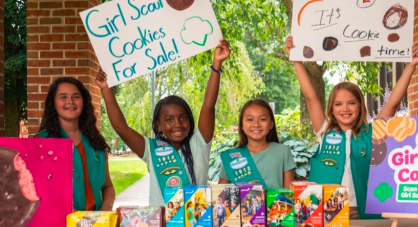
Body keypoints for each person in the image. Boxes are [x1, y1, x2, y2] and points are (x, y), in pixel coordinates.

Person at [284, 35, 418, 218]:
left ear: (360, 106)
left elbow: (392, 104)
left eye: (351, 103)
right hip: (328, 212)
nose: (345, 108)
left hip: (362, 211)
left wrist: (411, 66)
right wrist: (297, 62)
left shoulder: (372, 133)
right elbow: (311, 97)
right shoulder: (324, 132)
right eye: (338, 104)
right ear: (331, 109)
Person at [96, 39, 231, 206]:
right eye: (169, 120)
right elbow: (121, 129)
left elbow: (208, 106)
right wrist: (106, 89)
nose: (178, 124)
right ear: (158, 126)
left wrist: (216, 65)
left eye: (183, 118)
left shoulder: (199, 144)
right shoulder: (150, 150)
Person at [37, 76, 115, 212]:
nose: (70, 102)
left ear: (83, 102)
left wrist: (104, 211)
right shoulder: (41, 142)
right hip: (59, 225)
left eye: (76, 96)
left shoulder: (95, 141)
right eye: (63, 97)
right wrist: (75, 217)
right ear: (53, 104)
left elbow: (107, 186)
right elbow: (38, 192)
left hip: (96, 226)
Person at [216, 99, 296, 189]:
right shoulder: (230, 157)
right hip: (243, 203)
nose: (256, 124)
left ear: (271, 124)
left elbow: (289, 196)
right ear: (241, 125)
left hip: (279, 203)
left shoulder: (283, 152)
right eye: (250, 119)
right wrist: (245, 191)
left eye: (262, 119)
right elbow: (221, 197)